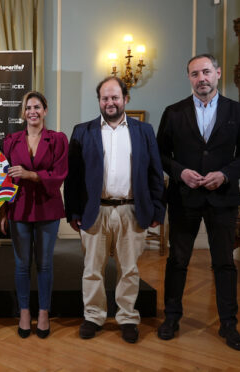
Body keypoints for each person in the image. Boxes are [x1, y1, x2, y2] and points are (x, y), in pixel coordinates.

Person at [156, 54, 240, 351]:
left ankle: (229, 324)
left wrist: (225, 175)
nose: (201, 78)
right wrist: (179, 172)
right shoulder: (173, 112)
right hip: (184, 198)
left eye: (206, 72)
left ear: (217, 73)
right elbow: (160, 154)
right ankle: (171, 317)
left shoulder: (237, 111)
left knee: (224, 263)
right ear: (189, 77)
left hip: (222, 199)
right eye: (195, 73)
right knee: (177, 261)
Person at [64, 77, 165, 344]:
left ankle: (127, 317)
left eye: (115, 97)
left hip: (132, 211)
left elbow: (155, 173)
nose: (110, 102)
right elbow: (73, 178)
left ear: (125, 99)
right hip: (94, 211)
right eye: (105, 98)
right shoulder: (82, 131)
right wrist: (73, 212)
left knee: (129, 269)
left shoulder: (144, 131)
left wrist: (157, 209)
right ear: (99, 101)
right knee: (92, 269)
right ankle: (94, 316)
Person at [0, 91, 68, 339]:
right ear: (23, 112)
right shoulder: (10, 141)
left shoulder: (58, 139)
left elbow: (60, 173)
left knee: (45, 264)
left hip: (48, 207)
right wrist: (3, 212)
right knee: (21, 265)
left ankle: (44, 313)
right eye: (28, 108)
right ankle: (25, 312)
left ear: (45, 110)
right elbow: (4, 180)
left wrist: (31, 175)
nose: (32, 112)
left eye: (37, 107)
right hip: (18, 208)